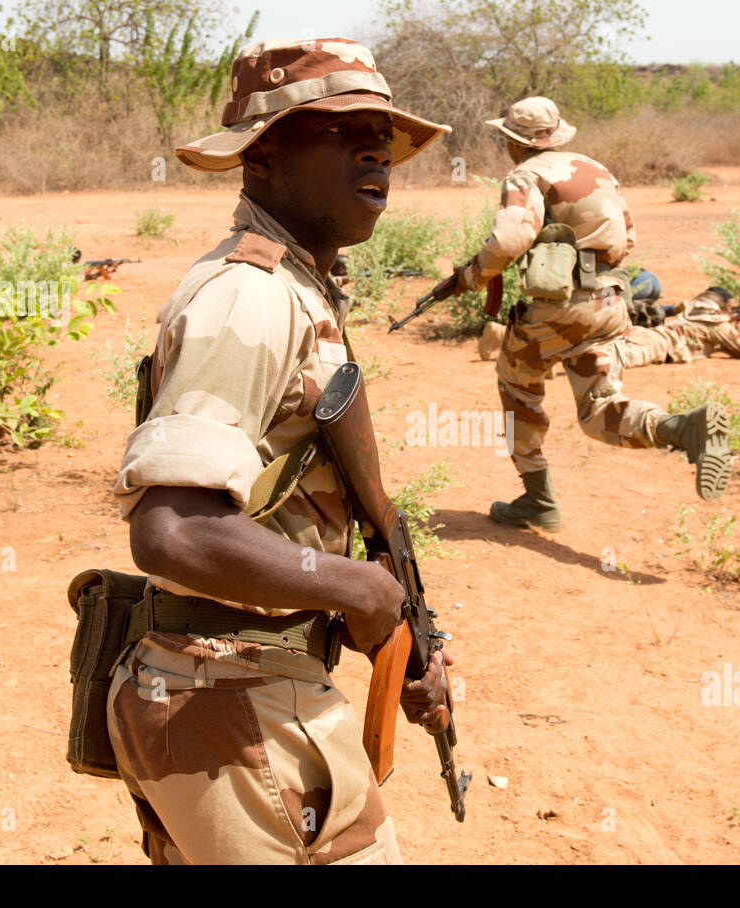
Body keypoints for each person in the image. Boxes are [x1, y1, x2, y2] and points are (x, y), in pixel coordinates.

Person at [108, 37, 454, 865]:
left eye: (385, 132)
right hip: (229, 697)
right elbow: (174, 529)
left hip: (246, 687)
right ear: (262, 154)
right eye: (342, 129)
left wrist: (404, 638)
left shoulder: (299, 288)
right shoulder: (251, 298)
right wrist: (362, 590)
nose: (378, 149)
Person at [436, 96, 730, 530]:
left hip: (560, 305)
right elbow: (627, 238)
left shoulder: (526, 174)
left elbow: (509, 239)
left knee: (517, 386)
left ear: (515, 142)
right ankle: (682, 428)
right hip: (610, 302)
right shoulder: (595, 169)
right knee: (599, 412)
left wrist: (472, 276)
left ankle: (538, 499)